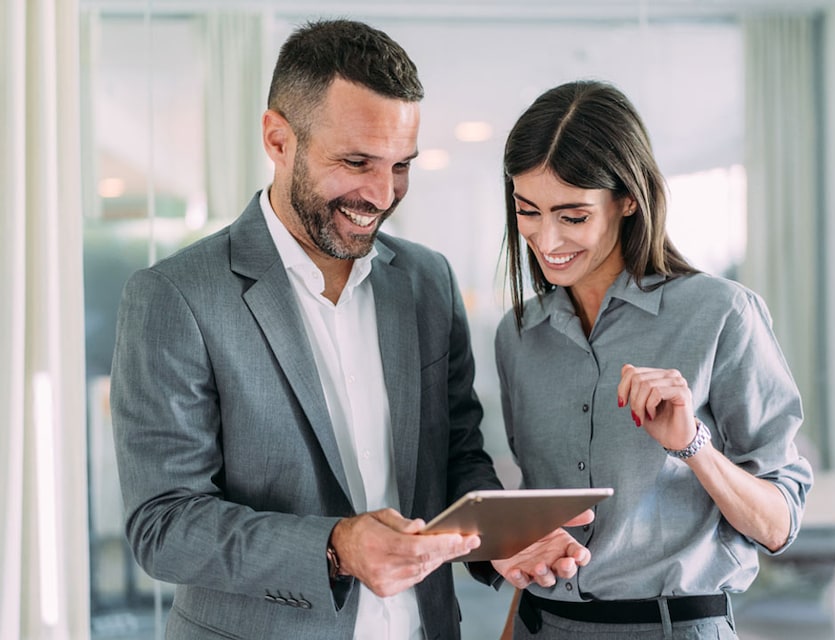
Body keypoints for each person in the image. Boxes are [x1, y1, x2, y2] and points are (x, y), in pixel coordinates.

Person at [110, 19, 591, 640]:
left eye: (401, 166)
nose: (382, 193)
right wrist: (335, 546)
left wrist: (497, 541)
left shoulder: (426, 281)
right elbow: (162, 525)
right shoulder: (176, 296)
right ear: (278, 139)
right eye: (356, 161)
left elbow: (458, 454)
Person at [493, 80, 815, 639]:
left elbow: (779, 525)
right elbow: (540, 525)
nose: (546, 240)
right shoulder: (518, 336)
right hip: (541, 624)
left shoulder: (721, 313)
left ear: (628, 198)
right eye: (528, 211)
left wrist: (692, 445)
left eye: (572, 216)